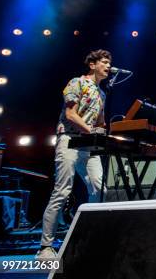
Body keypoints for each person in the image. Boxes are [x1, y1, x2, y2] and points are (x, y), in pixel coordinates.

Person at [36, 49, 112, 260]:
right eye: (104, 62)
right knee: (62, 190)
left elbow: (99, 122)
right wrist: (92, 130)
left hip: (89, 146)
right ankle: (45, 247)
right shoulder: (76, 83)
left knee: (100, 188)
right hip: (70, 140)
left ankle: (88, 235)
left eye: (109, 63)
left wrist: (104, 130)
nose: (108, 66)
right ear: (92, 64)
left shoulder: (102, 92)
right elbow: (70, 114)